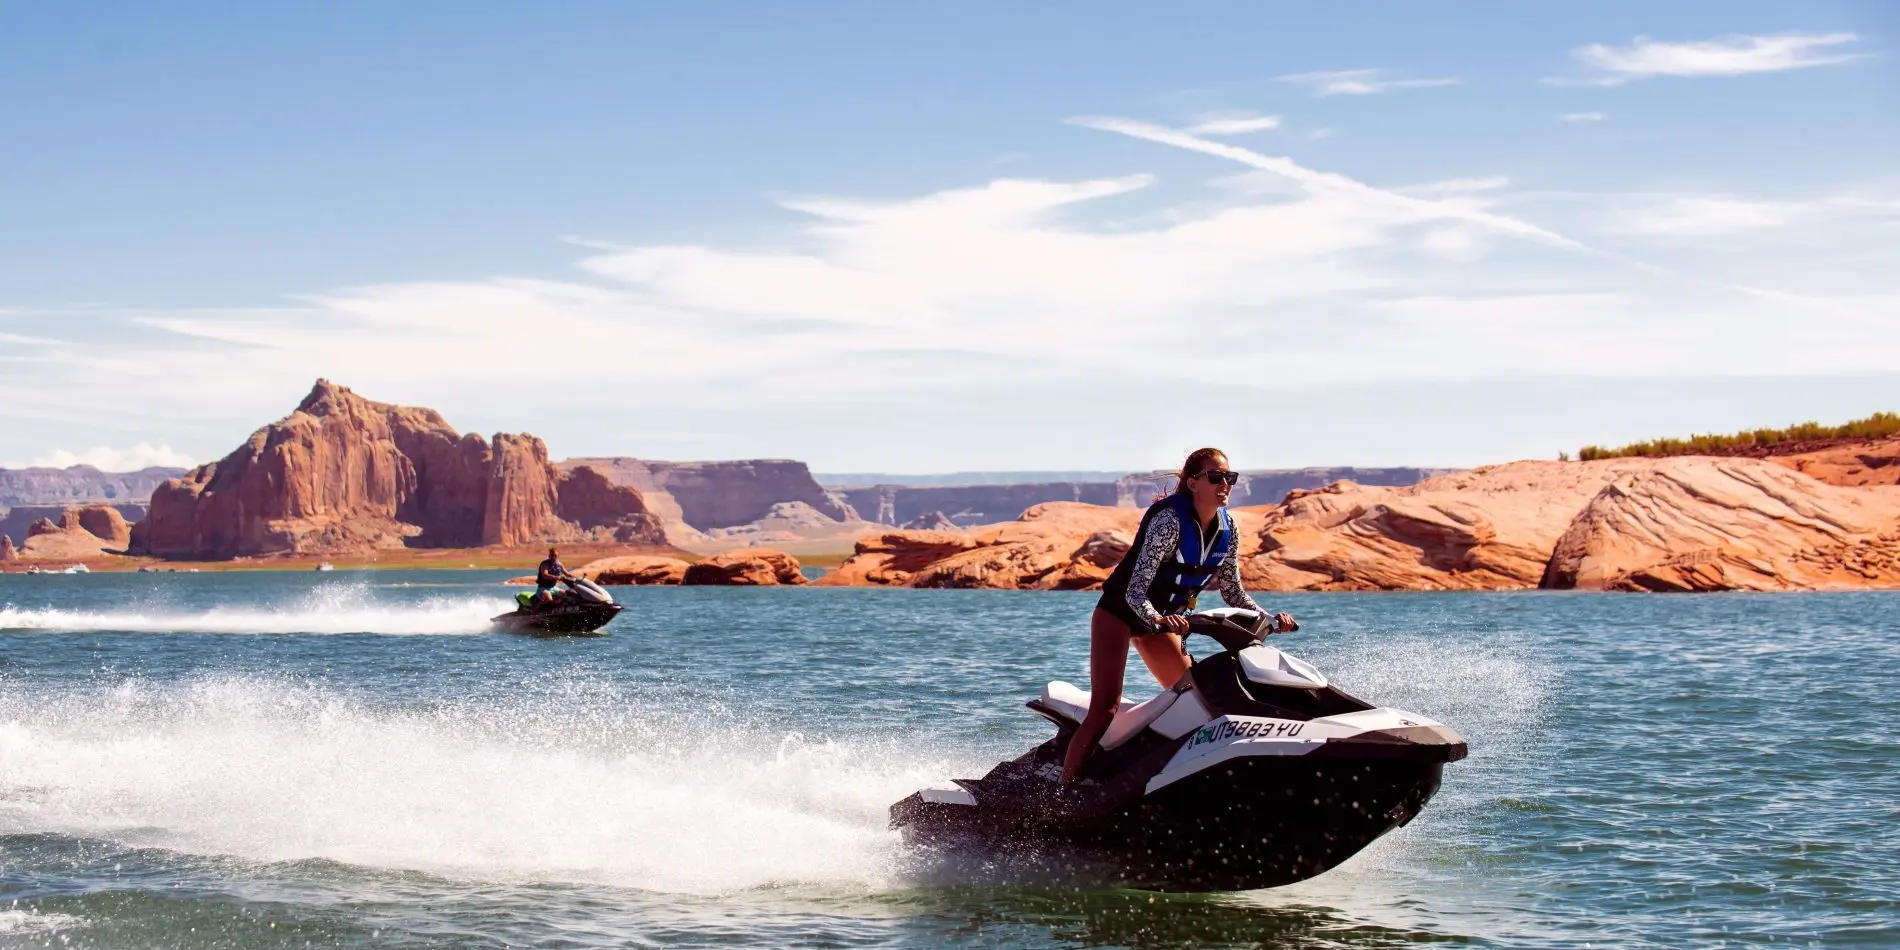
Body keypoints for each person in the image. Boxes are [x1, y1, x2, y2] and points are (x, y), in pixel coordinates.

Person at [1059, 447, 1296, 785]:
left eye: (1230, 478)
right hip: (1121, 614)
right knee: (1105, 707)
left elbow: (1233, 593)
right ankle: (1063, 794)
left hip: (1163, 622)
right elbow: (1134, 591)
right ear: (1193, 482)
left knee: (1194, 698)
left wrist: (1270, 618)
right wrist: (1158, 620)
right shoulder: (1168, 521)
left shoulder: (1229, 530)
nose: (1225, 485)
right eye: (1216, 477)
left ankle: (1170, 774)